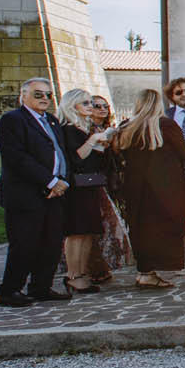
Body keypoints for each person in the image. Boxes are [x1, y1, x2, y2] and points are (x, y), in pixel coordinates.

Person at [0, 76, 72, 307]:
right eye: (38, 94)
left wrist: (62, 181)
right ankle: (10, 290)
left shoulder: (52, 121)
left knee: (51, 243)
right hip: (25, 194)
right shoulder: (12, 120)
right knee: (24, 244)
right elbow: (17, 158)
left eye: (48, 94)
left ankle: (41, 287)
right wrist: (49, 181)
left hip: (54, 193)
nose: (45, 99)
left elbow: (60, 153)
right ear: (24, 95)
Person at [113, 88, 185, 289]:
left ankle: (145, 271)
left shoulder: (127, 127)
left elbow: (119, 156)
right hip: (166, 189)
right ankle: (152, 272)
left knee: (141, 229)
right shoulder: (166, 125)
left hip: (136, 188)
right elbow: (183, 153)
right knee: (164, 229)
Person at [58, 88, 118, 293]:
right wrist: (92, 141)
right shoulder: (68, 129)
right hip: (76, 188)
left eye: (90, 103)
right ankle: (73, 274)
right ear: (72, 105)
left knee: (87, 232)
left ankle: (82, 272)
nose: (90, 107)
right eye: (86, 103)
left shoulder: (84, 128)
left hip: (89, 184)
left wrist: (102, 144)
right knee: (76, 232)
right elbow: (77, 157)